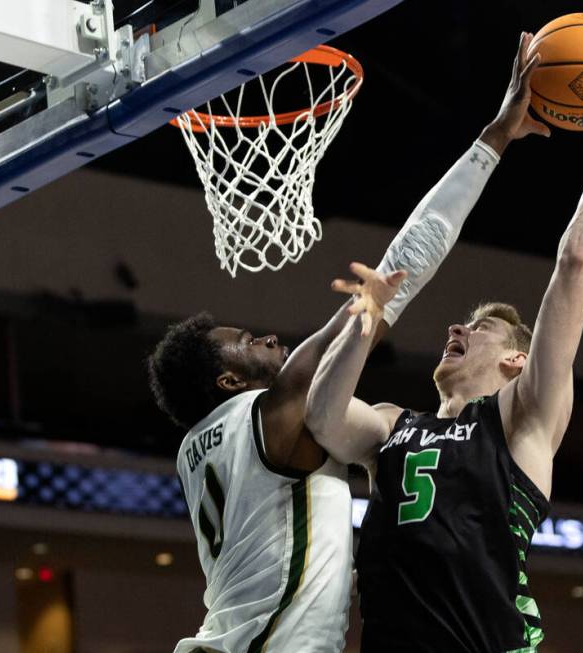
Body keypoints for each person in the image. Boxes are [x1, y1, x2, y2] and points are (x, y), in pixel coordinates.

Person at [146, 32, 548, 653]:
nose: (269, 338)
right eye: (248, 343)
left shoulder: (194, 450)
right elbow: (406, 261)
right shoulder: (279, 408)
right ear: (229, 381)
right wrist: (493, 140)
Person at [304, 34, 583, 653]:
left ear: (518, 359)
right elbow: (322, 416)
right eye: (464, 325)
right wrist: (366, 315)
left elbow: (575, 264)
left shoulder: (522, 421)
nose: (455, 330)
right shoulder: (391, 427)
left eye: (480, 327)